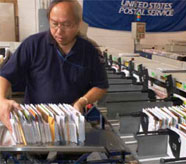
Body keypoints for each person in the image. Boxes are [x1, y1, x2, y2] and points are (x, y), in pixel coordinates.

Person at [0, 0, 108, 132]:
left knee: (74, 151)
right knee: (36, 152)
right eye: (54, 24)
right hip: (36, 122)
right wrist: (1, 99)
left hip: (72, 122)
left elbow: (101, 86)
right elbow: (5, 75)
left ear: (79, 23)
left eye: (66, 25)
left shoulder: (89, 50)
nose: (59, 31)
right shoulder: (33, 45)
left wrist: (82, 101)